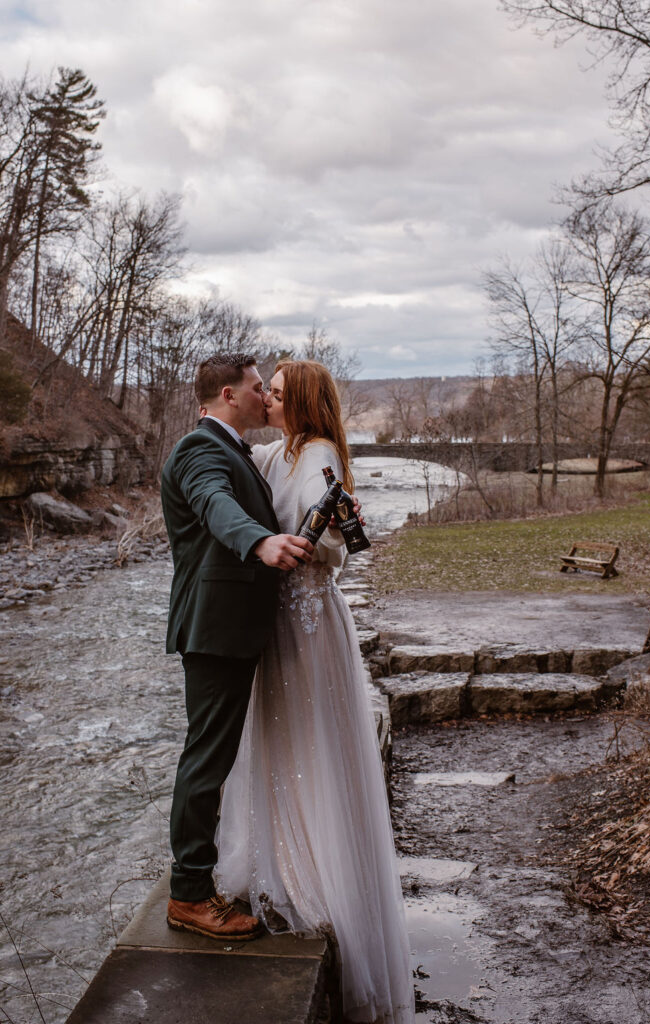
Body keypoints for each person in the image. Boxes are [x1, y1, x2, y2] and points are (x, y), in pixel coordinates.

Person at [215, 360, 415, 1024]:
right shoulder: (284, 451)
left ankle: (315, 876)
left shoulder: (320, 454)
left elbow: (333, 544)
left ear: (298, 402)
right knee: (277, 736)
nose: (267, 401)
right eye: (264, 392)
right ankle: (283, 853)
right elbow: (244, 462)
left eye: (275, 394)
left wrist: (331, 532)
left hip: (306, 621)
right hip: (278, 620)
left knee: (310, 738)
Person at [160, 353, 314, 941]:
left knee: (213, 755)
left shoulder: (238, 449)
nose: (265, 396)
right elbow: (215, 505)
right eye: (257, 388)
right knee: (207, 758)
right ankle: (190, 895)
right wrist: (259, 543)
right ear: (228, 394)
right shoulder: (201, 450)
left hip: (233, 626)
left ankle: (196, 882)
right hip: (215, 629)